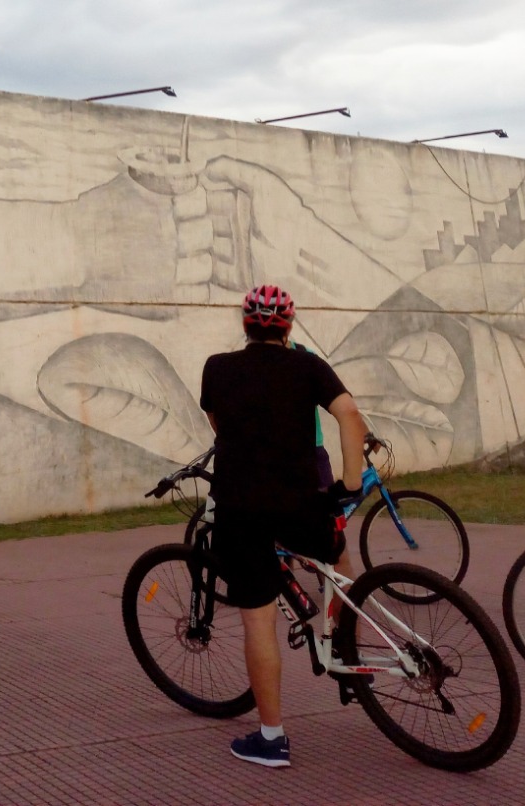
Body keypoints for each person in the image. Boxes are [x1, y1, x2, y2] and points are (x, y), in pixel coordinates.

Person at [199, 285, 369, 767]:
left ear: (245, 325)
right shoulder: (308, 365)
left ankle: (271, 739)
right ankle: (347, 645)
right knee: (335, 560)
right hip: (301, 503)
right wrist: (350, 481)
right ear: (289, 327)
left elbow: (219, 424)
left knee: (258, 619)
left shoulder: (218, 367)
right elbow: (350, 414)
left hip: (241, 508)